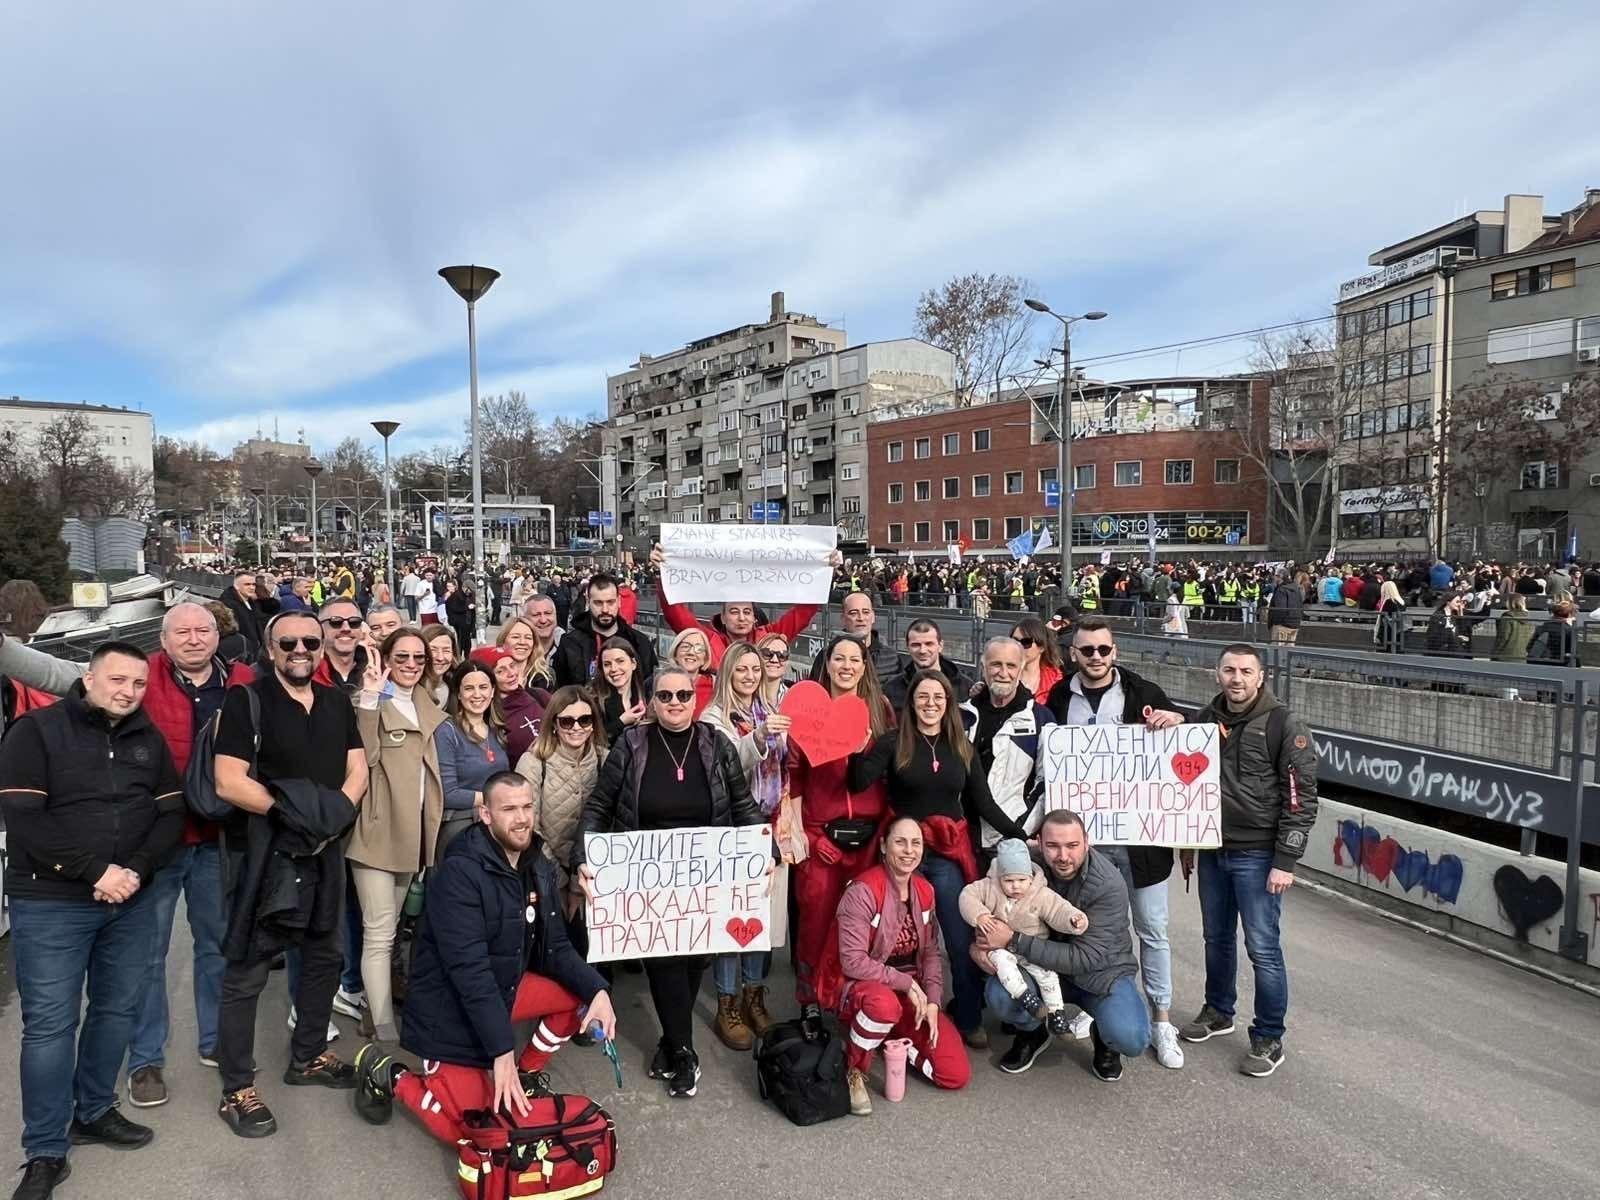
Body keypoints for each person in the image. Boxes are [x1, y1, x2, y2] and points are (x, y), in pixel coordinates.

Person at [350, 773, 617, 1163]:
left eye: (527, 807)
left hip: (502, 992)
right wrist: (501, 1050)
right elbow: (469, 973)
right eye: (509, 808)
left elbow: (556, 947)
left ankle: (524, 1076)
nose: (521, 817)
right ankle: (388, 1074)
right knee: (470, 1133)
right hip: (452, 1010)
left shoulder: (536, 864)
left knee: (576, 995)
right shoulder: (460, 873)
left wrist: (598, 990)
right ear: (485, 814)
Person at [0, 643, 185, 1199]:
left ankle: (95, 1110)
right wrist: (93, 872)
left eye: (137, 684)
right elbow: (22, 816)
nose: (127, 691)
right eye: (117, 680)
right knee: (51, 1025)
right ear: (88, 677)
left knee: (115, 1009)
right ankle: (45, 1149)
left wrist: (135, 869)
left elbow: (170, 810)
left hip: (128, 899)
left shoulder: (145, 738)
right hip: (51, 901)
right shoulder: (36, 732)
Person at [576, 667, 765, 1099]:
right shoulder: (632, 743)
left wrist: (765, 850)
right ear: (653, 700)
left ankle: (667, 1041)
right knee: (663, 962)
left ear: (694, 700)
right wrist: (585, 857)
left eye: (683, 694)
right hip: (647, 877)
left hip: (704, 875)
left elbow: (741, 803)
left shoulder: (716, 745)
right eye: (665, 696)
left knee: (693, 961)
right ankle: (684, 1052)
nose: (675, 702)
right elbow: (600, 805)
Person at [213, 611, 369, 1137]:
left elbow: (358, 767)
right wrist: (295, 817)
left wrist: (334, 818)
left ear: (322, 647)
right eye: (288, 642)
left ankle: (307, 1057)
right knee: (249, 969)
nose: (300, 649)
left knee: (326, 953)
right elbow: (228, 781)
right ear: (270, 647)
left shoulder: (334, 701)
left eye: (310, 641)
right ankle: (237, 1087)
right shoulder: (247, 700)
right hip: (269, 853)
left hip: (324, 848)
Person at [848, 670, 1029, 1050]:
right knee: (892, 934)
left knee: (959, 934)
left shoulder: (961, 746)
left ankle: (968, 1013)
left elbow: (984, 803)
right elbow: (858, 782)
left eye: (938, 697)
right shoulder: (892, 742)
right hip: (903, 851)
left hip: (946, 853)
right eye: (922, 697)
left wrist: (1024, 836)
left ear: (948, 704)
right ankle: (888, 1005)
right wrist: (854, 746)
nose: (930, 704)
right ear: (911, 702)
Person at [1042, 616, 1189, 1069]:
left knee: (1152, 930)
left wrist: (1178, 719)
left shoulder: (1143, 694)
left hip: (1139, 843)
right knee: (1080, 928)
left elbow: (1189, 733)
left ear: (1115, 652)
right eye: (1087, 650)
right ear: (1073, 654)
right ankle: (1094, 1008)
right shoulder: (1058, 697)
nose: (1096, 658)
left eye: (1103, 650)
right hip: (1083, 845)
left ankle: (1161, 1018)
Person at [1180, 644, 1319, 1078]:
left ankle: (1269, 1036)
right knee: (1215, 938)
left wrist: (1286, 860)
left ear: (1261, 677)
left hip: (1259, 854)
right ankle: (1219, 1010)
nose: (1236, 679)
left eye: (1245, 671)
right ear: (1216, 674)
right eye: (1228, 670)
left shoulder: (1284, 724)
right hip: (1212, 849)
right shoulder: (1203, 721)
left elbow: (1302, 798)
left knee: (1262, 948)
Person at [976, 811, 1151, 1079]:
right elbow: (985, 902)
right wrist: (977, 946)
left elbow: (1084, 958)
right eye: (1053, 846)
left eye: (1072, 845)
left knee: (1131, 1037)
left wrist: (1013, 939)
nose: (1063, 856)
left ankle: (1104, 1038)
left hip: (1100, 973)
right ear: (1038, 842)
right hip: (1038, 968)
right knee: (999, 995)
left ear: (1087, 842)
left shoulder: (1108, 885)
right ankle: (1033, 1031)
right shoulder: (1022, 868)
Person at [817, 816, 972, 1116]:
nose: (908, 850)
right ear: (884, 845)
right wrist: (906, 984)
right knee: (883, 1005)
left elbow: (929, 954)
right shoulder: (862, 891)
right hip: (862, 985)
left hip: (908, 990)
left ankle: (884, 1035)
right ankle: (854, 1068)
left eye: (916, 843)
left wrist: (934, 1003)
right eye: (900, 841)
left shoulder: (925, 890)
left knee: (954, 1074)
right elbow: (853, 961)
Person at [787, 635, 893, 1026]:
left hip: (867, 836)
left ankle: (854, 996)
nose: (847, 666)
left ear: (865, 666)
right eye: (839, 658)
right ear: (827, 663)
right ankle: (810, 997)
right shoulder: (808, 710)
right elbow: (794, 777)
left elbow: (888, 770)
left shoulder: (880, 710)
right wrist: (809, 837)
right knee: (815, 921)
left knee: (861, 925)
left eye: (855, 659)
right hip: (822, 835)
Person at [349, 627, 447, 1040]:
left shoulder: (427, 700)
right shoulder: (370, 701)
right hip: (377, 833)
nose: (410, 665)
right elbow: (364, 756)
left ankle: (378, 1006)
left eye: (418, 659)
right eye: (401, 657)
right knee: (379, 931)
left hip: (416, 835)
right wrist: (370, 697)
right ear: (385, 659)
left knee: (392, 932)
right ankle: (385, 1027)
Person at [699, 641, 791, 1050]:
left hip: (771, 828)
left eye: (756, 668)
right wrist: (756, 738)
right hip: (733, 831)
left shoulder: (771, 710)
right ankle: (727, 1003)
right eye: (742, 669)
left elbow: (788, 765)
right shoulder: (715, 716)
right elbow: (721, 766)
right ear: (727, 673)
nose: (752, 675)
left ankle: (755, 997)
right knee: (732, 922)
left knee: (761, 923)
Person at [960, 838, 1087, 1036]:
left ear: (1030, 877)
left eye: (1021, 880)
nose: (1015, 886)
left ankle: (1056, 1014)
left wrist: (1073, 919)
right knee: (1003, 965)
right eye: (1008, 881)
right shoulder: (988, 887)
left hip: (1031, 948)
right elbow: (967, 896)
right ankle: (1026, 997)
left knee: (1048, 976)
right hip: (999, 949)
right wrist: (980, 915)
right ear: (999, 877)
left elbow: (1058, 909)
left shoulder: (1040, 893)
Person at [515, 685, 605, 964]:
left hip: (592, 876)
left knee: (593, 959)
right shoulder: (533, 762)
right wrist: (562, 880)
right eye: (567, 721)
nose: (576, 727)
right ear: (554, 723)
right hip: (547, 873)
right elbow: (527, 826)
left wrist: (579, 885)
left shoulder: (605, 759)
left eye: (584, 720)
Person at [652, 544, 826, 668]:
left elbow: (802, 614)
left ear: (754, 618)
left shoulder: (769, 637)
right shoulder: (708, 641)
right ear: (723, 618)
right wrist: (663, 573)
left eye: (747, 612)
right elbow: (677, 617)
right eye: (734, 612)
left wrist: (823, 571)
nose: (742, 618)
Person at [959, 636, 1054, 857]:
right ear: (983, 667)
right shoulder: (960, 716)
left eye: (1010, 665)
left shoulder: (1040, 718)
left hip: (1011, 838)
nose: (1003, 672)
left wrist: (1020, 829)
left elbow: (1046, 782)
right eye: (996, 664)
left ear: (1021, 669)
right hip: (960, 835)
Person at [432, 659, 507, 859]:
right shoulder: (447, 731)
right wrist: (498, 797)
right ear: (458, 693)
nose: (477, 694)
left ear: (492, 691)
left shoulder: (497, 731)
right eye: (469, 688)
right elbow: (448, 794)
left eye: (483, 687)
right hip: (461, 827)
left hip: (496, 825)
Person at [552, 572, 657, 688]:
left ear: (619, 601)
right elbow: (562, 692)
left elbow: (648, 689)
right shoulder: (569, 644)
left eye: (610, 602)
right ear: (588, 601)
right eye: (598, 603)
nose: (605, 609)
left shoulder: (639, 643)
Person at [808, 591, 900, 687]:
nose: (860, 618)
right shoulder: (826, 655)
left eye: (866, 612)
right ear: (843, 618)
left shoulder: (892, 656)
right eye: (853, 613)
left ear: (873, 617)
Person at [887, 618, 972, 711]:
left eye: (929, 644)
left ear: (940, 646)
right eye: (916, 645)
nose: (922, 650)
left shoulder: (966, 687)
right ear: (907, 647)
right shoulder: (891, 689)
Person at [592, 635, 648, 743]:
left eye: (620, 661)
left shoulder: (645, 694)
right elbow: (592, 739)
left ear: (633, 664)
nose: (613, 669)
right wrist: (621, 722)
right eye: (607, 664)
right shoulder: (593, 699)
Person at [310, 598, 371, 692]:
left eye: (354, 622)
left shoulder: (377, 668)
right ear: (320, 628)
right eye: (336, 622)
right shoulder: (307, 672)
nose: (346, 628)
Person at [1009, 616, 1062, 705]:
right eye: (1014, 641)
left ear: (1041, 647)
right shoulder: (1002, 673)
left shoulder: (1055, 679)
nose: (1018, 646)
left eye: (1026, 642)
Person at [668, 627, 716, 718]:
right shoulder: (660, 683)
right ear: (675, 654)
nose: (691, 652)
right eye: (685, 646)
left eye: (699, 649)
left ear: (705, 658)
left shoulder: (716, 685)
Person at [522, 593, 562, 689]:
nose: (543, 620)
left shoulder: (571, 647)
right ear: (524, 619)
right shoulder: (518, 651)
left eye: (548, 613)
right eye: (536, 615)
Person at [1527, 598, 1578, 666]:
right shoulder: (1569, 630)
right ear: (1569, 615)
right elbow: (1573, 653)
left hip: (1538, 662)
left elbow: (1529, 647)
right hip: (1559, 664)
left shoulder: (1541, 627)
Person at [418, 622, 459, 706]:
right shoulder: (410, 691)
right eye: (433, 650)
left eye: (446, 650)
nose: (440, 657)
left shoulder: (455, 686)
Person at [1492, 593, 1536, 663]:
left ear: (1509, 603)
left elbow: (1502, 638)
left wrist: (1494, 654)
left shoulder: (1506, 619)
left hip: (1504, 657)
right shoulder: (1527, 620)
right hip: (1521, 657)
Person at [1266, 571, 1303, 644]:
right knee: (1289, 649)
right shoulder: (1296, 588)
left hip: (1282, 624)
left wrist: (1275, 622)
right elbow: (1300, 604)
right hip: (1295, 622)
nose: (1274, 578)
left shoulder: (1281, 589)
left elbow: (1280, 608)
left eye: (1276, 576)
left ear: (1280, 577)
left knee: (1277, 650)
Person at [445, 575, 477, 651]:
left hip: (467, 622)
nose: (470, 592)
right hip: (459, 622)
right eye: (469, 590)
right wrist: (467, 608)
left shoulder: (469, 595)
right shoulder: (456, 595)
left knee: (467, 640)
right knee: (461, 640)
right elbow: (454, 608)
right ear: (465, 588)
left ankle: (467, 654)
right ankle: (460, 654)